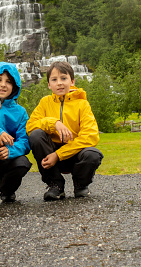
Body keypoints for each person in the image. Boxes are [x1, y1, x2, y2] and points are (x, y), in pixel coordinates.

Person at [26, 61, 103, 201]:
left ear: (72, 81)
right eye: (54, 80)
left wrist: (58, 155)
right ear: (49, 84)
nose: (59, 83)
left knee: (93, 154)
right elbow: (30, 126)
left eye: (63, 78)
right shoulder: (45, 102)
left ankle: (80, 185)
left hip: (74, 155)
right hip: (50, 157)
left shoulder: (82, 104)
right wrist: (54, 123)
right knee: (36, 135)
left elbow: (91, 136)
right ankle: (55, 185)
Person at [0, 62, 32, 204]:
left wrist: (10, 151)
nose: (3, 85)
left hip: (7, 156)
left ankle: (7, 189)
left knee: (23, 162)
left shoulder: (21, 112)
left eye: (8, 81)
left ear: (15, 86)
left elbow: (24, 141)